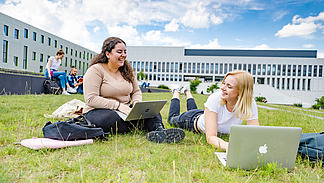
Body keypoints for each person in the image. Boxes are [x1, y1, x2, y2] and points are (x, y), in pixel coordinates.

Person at [82, 37, 185, 143]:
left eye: (125, 52)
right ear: (107, 54)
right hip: (99, 111)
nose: (123, 55)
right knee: (111, 118)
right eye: (119, 52)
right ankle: (140, 125)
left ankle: (160, 131)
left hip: (126, 111)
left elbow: (136, 91)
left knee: (152, 112)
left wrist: (137, 105)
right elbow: (91, 99)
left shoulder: (127, 70)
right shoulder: (96, 70)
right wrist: (118, 106)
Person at [168, 70, 259, 151]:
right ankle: (176, 91)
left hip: (207, 115)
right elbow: (211, 137)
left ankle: (187, 91)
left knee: (194, 110)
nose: (222, 88)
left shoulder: (249, 103)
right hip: (192, 120)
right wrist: (228, 146)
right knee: (172, 119)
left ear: (241, 92)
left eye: (229, 86)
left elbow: (254, 133)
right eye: (224, 83)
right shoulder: (215, 98)